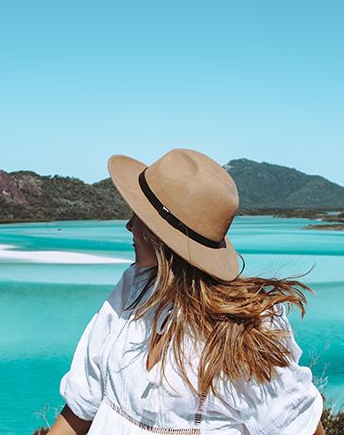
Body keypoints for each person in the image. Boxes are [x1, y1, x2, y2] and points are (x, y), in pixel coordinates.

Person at [48, 148, 325, 435]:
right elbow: (82, 406)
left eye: (139, 216)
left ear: (162, 237)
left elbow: (297, 424)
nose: (129, 225)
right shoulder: (133, 288)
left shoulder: (244, 331)